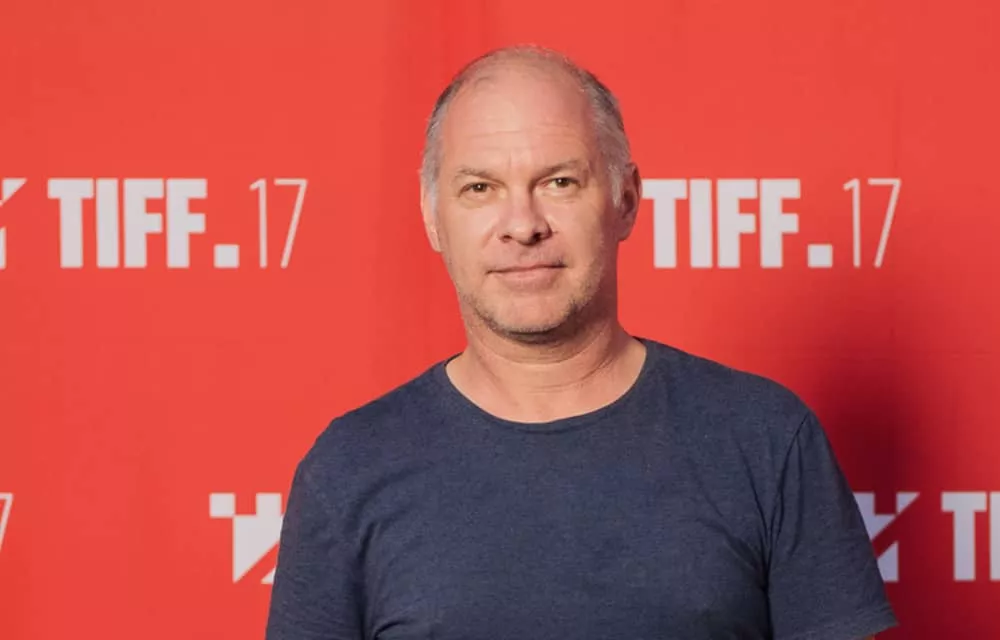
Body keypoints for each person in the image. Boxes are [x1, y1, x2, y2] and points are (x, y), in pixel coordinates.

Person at [266, 45, 897, 640]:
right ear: (434, 218)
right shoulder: (347, 470)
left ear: (626, 201)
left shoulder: (765, 440)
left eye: (560, 182)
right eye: (479, 188)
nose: (522, 225)